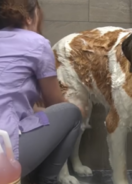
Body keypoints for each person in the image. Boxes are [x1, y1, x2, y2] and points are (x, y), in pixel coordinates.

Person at [0, 0, 82, 183]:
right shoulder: (37, 43)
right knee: (73, 114)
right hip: (3, 156)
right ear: (30, 18)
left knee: (44, 116)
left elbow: (10, 103)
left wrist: (43, 113)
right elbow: (56, 103)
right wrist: (79, 109)